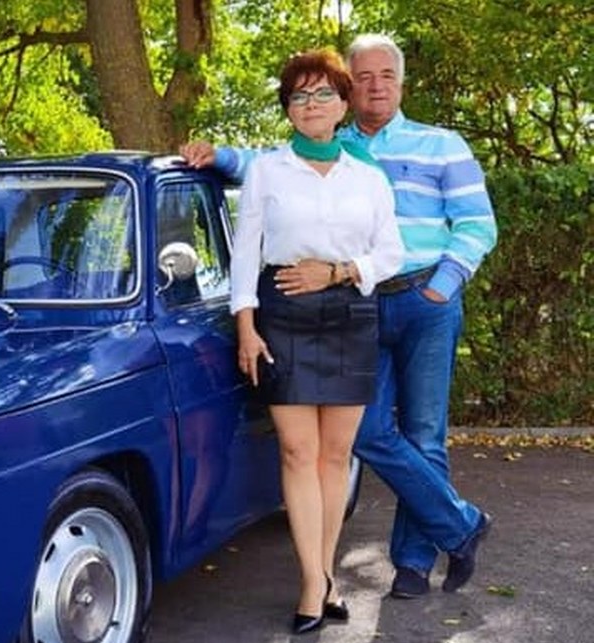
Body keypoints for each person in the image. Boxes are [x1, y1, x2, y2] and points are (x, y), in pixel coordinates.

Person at [181, 33, 496, 600]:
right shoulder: (336, 139)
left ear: (401, 83)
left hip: (423, 300)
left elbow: (477, 224)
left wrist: (441, 287)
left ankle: (412, 563)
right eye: (365, 76)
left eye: (386, 76)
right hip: (359, 305)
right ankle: (460, 525)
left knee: (424, 434)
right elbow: (266, 166)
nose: (376, 86)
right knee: (369, 432)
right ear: (351, 89)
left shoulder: (440, 144)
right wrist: (216, 155)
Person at [230, 48, 404, 634]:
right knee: (297, 453)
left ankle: (326, 574)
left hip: (351, 314)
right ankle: (312, 582)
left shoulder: (368, 177)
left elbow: (390, 253)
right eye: (299, 96)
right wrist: (246, 326)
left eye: (323, 93)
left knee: (335, 456)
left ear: (342, 104)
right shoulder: (266, 171)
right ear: (288, 109)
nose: (311, 104)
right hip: (282, 315)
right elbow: (244, 254)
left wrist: (337, 272)